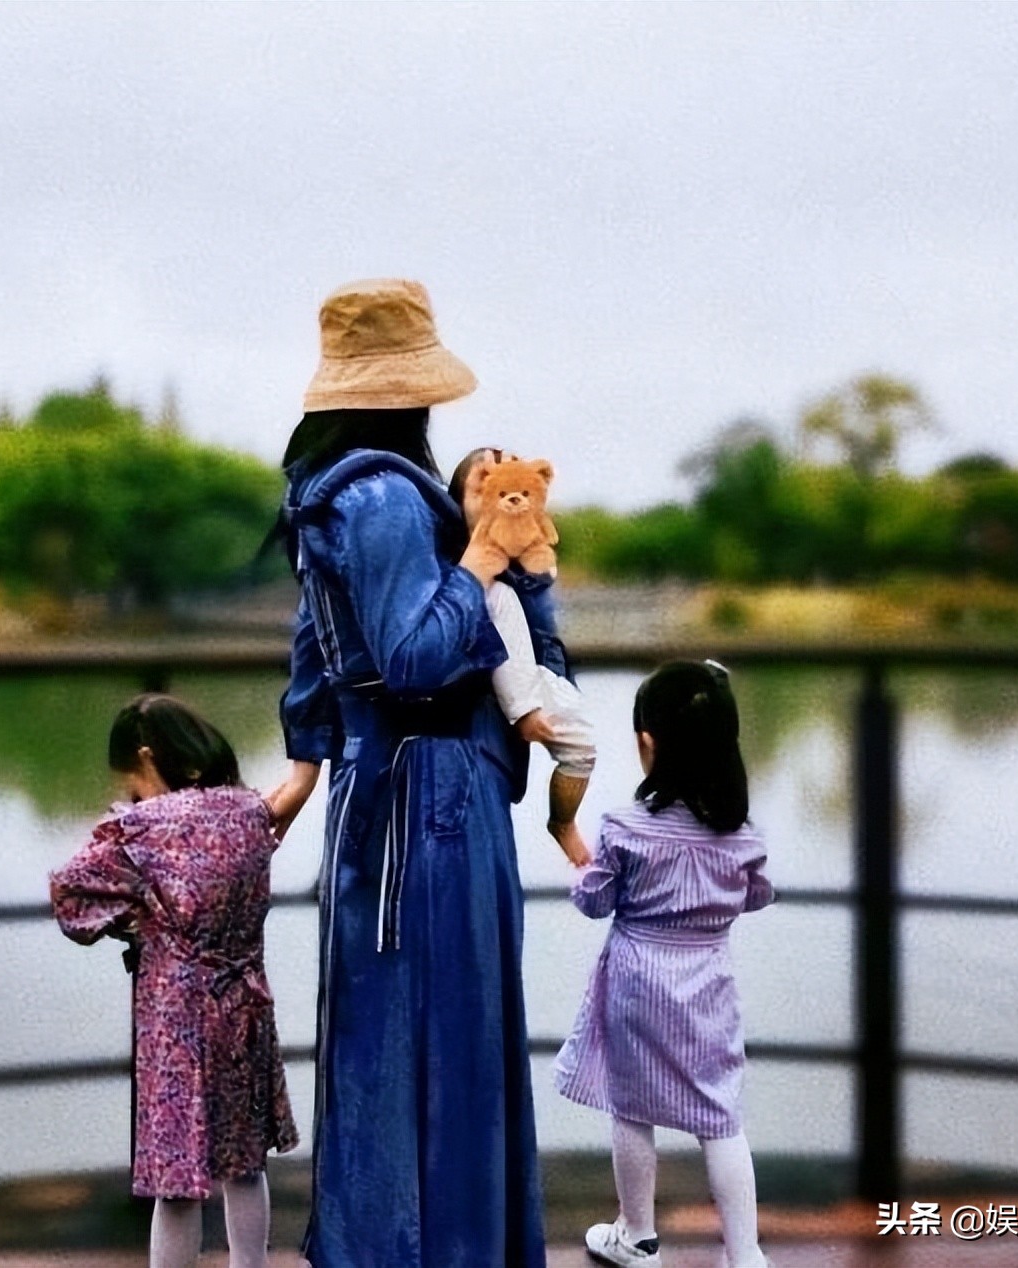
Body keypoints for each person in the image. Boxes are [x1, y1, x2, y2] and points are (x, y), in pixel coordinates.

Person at [268, 278, 549, 1268]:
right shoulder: (387, 496)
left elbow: (315, 654)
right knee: (449, 1035)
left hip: (375, 796)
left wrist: (306, 765)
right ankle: (449, 1246)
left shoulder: (332, 491)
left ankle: (380, 1242)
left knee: (381, 1036)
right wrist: (477, 565)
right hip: (430, 796)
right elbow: (417, 656)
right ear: (409, 393)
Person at [49, 693, 297, 1268]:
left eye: (132, 778)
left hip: (177, 1016)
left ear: (145, 757)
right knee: (244, 1163)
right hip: (244, 1003)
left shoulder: (140, 829)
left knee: (176, 1177)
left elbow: (71, 894)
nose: (132, 792)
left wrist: (130, 921)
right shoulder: (246, 811)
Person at [554, 660, 775, 1268]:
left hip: (637, 982)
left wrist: (581, 859)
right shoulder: (744, 837)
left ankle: (637, 1234)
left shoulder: (627, 828)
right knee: (720, 1114)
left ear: (647, 744)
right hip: (709, 982)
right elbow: (754, 895)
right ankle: (746, 1253)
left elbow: (594, 900)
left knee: (633, 1105)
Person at [448, 446, 596, 868]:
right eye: (485, 486)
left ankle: (563, 821)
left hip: (539, 672)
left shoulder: (532, 559)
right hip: (501, 705)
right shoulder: (468, 574)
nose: (505, 500)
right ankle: (562, 823)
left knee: (583, 744)